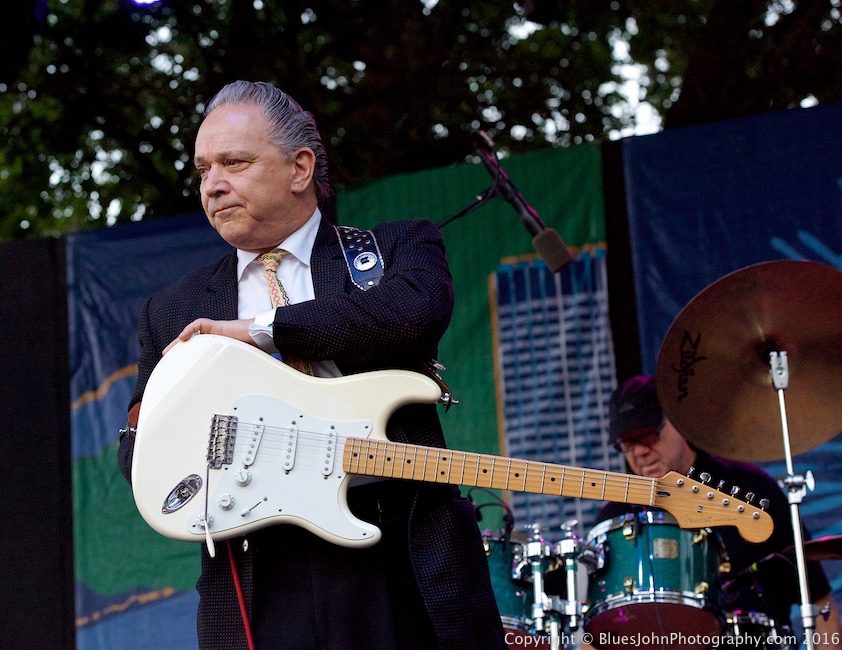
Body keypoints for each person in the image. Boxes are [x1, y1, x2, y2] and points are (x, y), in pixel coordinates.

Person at [117, 80, 507, 650]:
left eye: (234, 162)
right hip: (257, 579)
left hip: (399, 555)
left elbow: (411, 314)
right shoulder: (174, 309)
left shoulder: (393, 250)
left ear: (300, 168)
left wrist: (261, 332)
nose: (214, 185)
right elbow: (139, 446)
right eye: (203, 170)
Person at [586, 375, 842, 649]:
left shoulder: (752, 492)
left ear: (679, 422)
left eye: (649, 436)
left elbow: (821, 606)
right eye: (627, 444)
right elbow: (595, 634)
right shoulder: (614, 520)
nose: (640, 453)